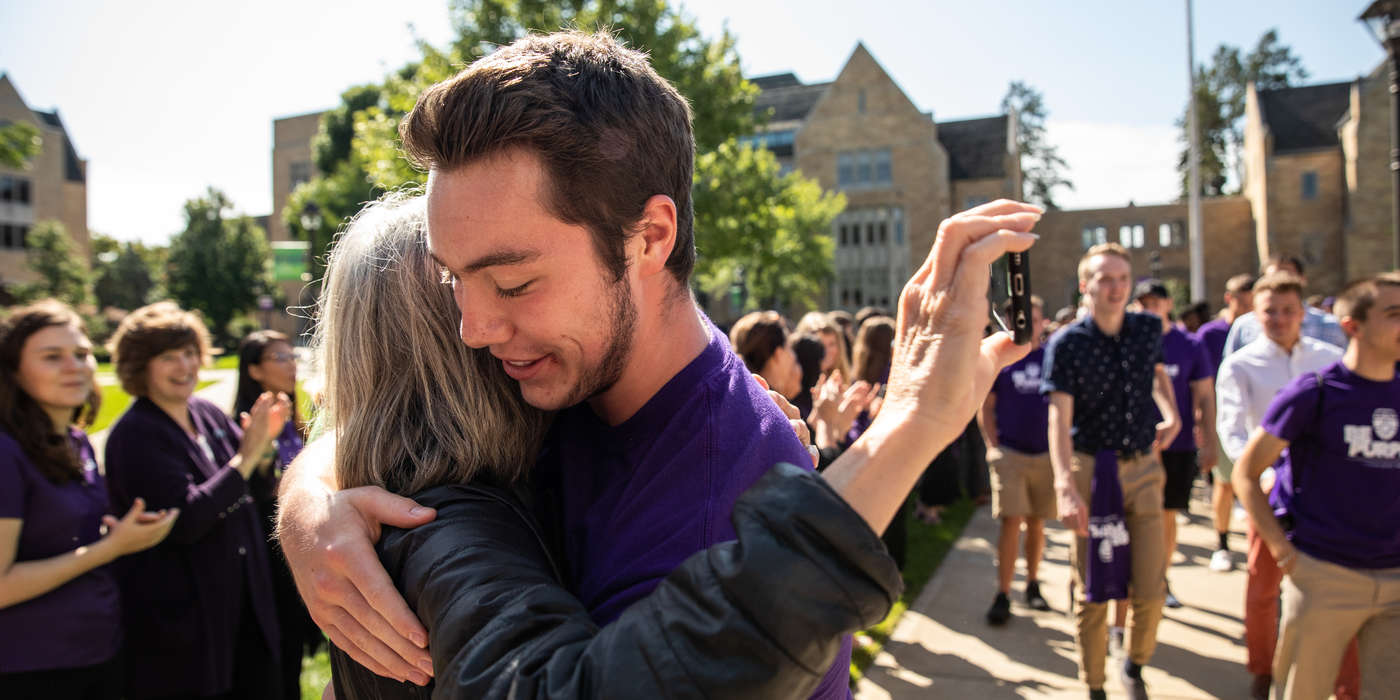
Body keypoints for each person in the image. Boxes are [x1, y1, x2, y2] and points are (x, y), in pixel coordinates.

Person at [274, 29, 1040, 694]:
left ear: (649, 238)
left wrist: (907, 430)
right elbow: (401, 400)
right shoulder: (559, 369)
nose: (472, 328)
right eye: (453, 280)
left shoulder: (720, 508)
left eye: (512, 282)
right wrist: (309, 501)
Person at [310, 195, 906, 698]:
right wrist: (914, 425)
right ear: (450, 352)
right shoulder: (447, 523)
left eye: (511, 286)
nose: (482, 323)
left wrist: (305, 496)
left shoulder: (437, 484)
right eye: (465, 288)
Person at [104, 302, 292, 699]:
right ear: (140, 365)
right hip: (187, 624)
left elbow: (248, 491)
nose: (185, 366)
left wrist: (262, 451)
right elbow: (185, 519)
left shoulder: (205, 412)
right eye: (168, 357)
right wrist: (246, 456)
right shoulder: (136, 435)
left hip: (244, 604)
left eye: (190, 353)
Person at [1231, 272, 1400, 700]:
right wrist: (1286, 554)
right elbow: (1246, 472)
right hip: (1325, 574)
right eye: (1394, 314)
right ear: (1353, 326)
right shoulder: (1315, 392)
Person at [0, 300, 178, 699]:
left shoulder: (75, 441)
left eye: (81, 354)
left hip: (97, 649)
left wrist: (113, 532)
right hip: (32, 667)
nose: (75, 366)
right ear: (13, 370)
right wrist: (111, 548)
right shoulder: (5, 452)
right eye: (52, 357)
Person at [1042, 243, 1180, 700]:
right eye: (1105, 279)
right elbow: (1059, 418)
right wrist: (1064, 485)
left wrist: (1172, 412)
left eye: (1123, 279)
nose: (1116, 288)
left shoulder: (1146, 328)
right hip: (1091, 472)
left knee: (1150, 588)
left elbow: (1157, 376)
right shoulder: (1068, 344)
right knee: (1094, 590)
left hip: (1142, 467)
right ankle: (1094, 684)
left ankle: (1135, 665)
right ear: (1087, 286)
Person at [1214, 271, 1356, 700]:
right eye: (1269, 311)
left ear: (1303, 313)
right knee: (1263, 585)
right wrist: (1261, 474)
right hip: (1272, 493)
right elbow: (1232, 429)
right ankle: (1263, 668)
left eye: (1287, 310)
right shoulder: (1241, 364)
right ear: (1255, 315)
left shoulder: (1330, 358)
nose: (1279, 319)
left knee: (1340, 587)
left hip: (1328, 495)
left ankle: (1343, 680)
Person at [232, 330, 320, 700]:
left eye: (291, 357)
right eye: (279, 358)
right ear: (254, 370)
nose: (291, 366)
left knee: (295, 649)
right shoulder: (242, 424)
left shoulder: (293, 418)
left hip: (298, 546)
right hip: (265, 551)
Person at [1131, 279, 1215, 608]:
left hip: (1176, 446)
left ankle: (1160, 581)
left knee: (1166, 516)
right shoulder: (1126, 340)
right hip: (1134, 446)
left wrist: (1208, 441)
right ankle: (1131, 583)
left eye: (1155, 302)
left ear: (1168, 305)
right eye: (1143, 303)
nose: (1149, 308)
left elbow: (1205, 396)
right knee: (1132, 517)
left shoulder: (1189, 344)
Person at [980, 295, 1054, 625]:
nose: (1032, 324)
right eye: (1026, 318)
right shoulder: (1002, 358)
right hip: (1010, 451)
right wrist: (992, 445)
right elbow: (986, 406)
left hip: (1045, 454)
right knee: (1011, 521)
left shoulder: (1053, 356)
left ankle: (1033, 584)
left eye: (1036, 319)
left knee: (1037, 523)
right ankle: (1004, 592)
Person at [1195, 272, 1254, 572]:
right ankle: (1222, 542)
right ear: (1230, 299)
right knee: (1225, 482)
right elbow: (1203, 384)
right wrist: (1202, 423)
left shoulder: (1260, 329)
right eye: (1243, 301)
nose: (1248, 307)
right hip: (1224, 418)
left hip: (1257, 420)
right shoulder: (1210, 334)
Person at [1222, 254, 1347, 354]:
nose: (1280, 282)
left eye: (1287, 276)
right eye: (1273, 277)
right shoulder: (1244, 326)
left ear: (1302, 280)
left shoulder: (1330, 326)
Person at [730, 311, 802, 401]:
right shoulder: (773, 407)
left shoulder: (738, 395)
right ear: (778, 354)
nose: (793, 356)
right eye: (789, 347)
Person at [795, 311, 852, 383]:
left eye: (832, 344)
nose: (827, 351)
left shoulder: (843, 380)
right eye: (820, 345)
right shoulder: (798, 386)